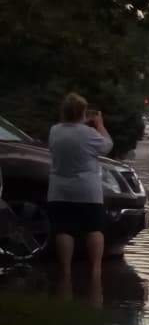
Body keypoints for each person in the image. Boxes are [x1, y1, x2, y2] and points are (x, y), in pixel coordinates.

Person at [47, 94, 112, 283]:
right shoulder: (89, 134)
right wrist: (99, 124)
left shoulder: (55, 131)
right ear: (83, 112)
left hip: (59, 190)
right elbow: (107, 145)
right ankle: (95, 271)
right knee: (94, 229)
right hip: (87, 190)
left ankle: (65, 272)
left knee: (64, 230)